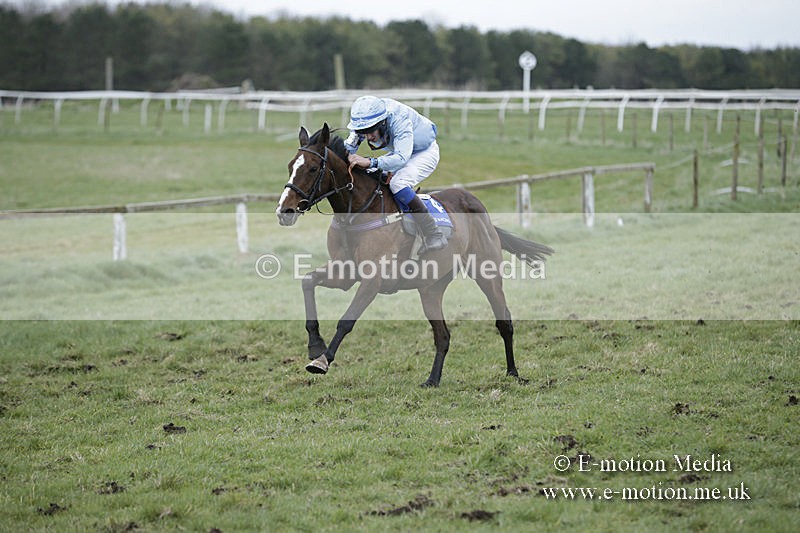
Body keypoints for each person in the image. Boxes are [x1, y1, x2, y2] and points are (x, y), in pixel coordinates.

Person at [344, 95, 448, 254]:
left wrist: (371, 162)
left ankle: (433, 234)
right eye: (363, 132)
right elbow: (348, 149)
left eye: (371, 131)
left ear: (382, 123)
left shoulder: (399, 119)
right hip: (400, 151)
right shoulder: (362, 121)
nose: (368, 137)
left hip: (423, 152)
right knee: (370, 174)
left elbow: (401, 158)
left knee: (398, 183)